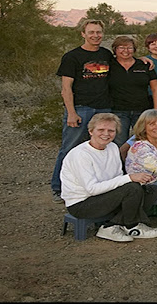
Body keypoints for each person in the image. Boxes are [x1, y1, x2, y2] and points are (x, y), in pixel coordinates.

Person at [60, 113, 157, 242]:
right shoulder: (81, 155)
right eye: (101, 130)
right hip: (82, 203)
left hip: (105, 196)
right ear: (91, 131)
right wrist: (130, 178)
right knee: (132, 188)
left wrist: (140, 180)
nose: (106, 134)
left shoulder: (112, 147)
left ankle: (112, 226)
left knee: (152, 190)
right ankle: (132, 225)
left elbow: (117, 177)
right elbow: (91, 189)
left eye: (111, 130)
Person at [51, 19, 114, 203]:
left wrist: (142, 60)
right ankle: (59, 187)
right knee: (70, 148)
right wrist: (71, 112)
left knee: (101, 148)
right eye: (91, 32)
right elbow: (66, 88)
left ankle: (95, 185)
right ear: (83, 34)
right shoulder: (72, 57)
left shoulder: (106, 54)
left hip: (103, 108)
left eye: (99, 32)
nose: (96, 36)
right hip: (81, 108)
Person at [108, 35, 157, 146]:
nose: (126, 51)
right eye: (121, 47)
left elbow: (155, 89)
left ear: (134, 49)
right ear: (115, 49)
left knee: (144, 141)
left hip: (141, 111)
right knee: (119, 143)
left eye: (129, 48)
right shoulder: (109, 65)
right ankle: (120, 163)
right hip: (118, 111)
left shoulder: (144, 65)